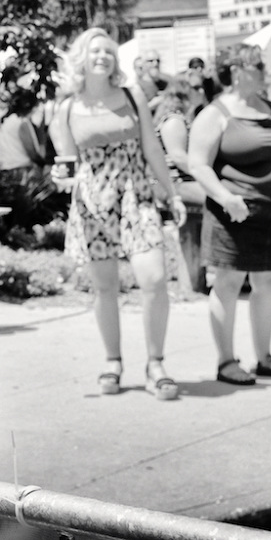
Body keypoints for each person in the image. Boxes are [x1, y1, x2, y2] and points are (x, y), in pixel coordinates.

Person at [49, 28, 186, 401]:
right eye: (95, 51)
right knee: (105, 287)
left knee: (154, 278)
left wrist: (172, 194)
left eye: (108, 51)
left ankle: (156, 363)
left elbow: (153, 149)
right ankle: (113, 361)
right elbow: (67, 164)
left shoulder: (131, 95)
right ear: (82, 58)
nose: (103, 56)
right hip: (93, 202)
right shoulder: (68, 107)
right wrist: (60, 178)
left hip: (135, 195)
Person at [187, 44, 271, 385]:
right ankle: (226, 361)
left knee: (268, 281)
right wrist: (226, 198)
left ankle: (264, 357)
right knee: (229, 282)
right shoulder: (215, 113)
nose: (265, 71)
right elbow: (198, 164)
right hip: (233, 214)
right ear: (237, 71)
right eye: (258, 66)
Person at [152, 76, 208, 284]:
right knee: (219, 197)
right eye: (196, 88)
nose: (201, 91)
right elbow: (178, 157)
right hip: (175, 185)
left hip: (178, 183)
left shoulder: (177, 117)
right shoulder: (174, 120)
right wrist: (207, 176)